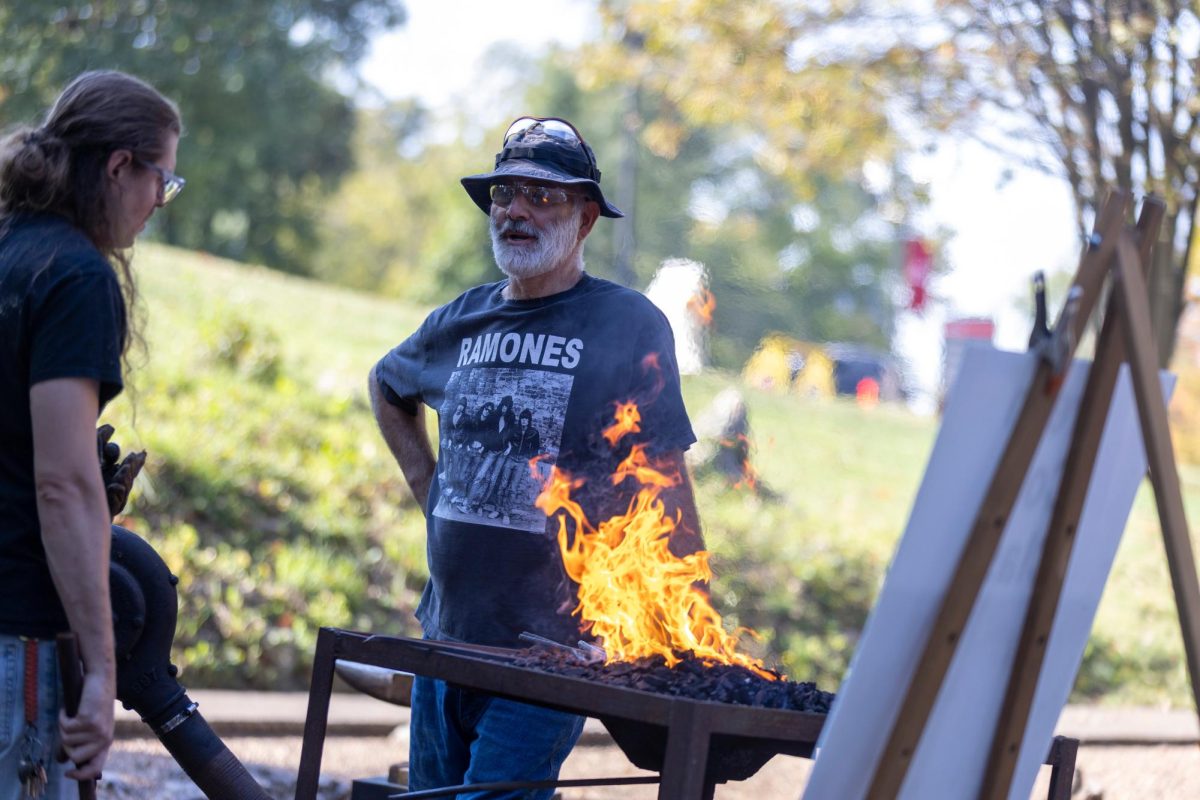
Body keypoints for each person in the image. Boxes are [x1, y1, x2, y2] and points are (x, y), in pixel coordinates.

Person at [370, 116, 701, 798]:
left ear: (584, 221)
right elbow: (387, 384)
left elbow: (664, 477)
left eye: (543, 197)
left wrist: (680, 623)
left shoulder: (626, 324)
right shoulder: (458, 321)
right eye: (506, 194)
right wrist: (425, 486)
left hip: (552, 655)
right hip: (447, 639)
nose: (517, 210)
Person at [0, 71, 182, 797]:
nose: (157, 204)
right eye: (161, 180)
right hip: (15, 624)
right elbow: (64, 484)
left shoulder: (8, 247)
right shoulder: (74, 277)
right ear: (118, 167)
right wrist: (104, 672)